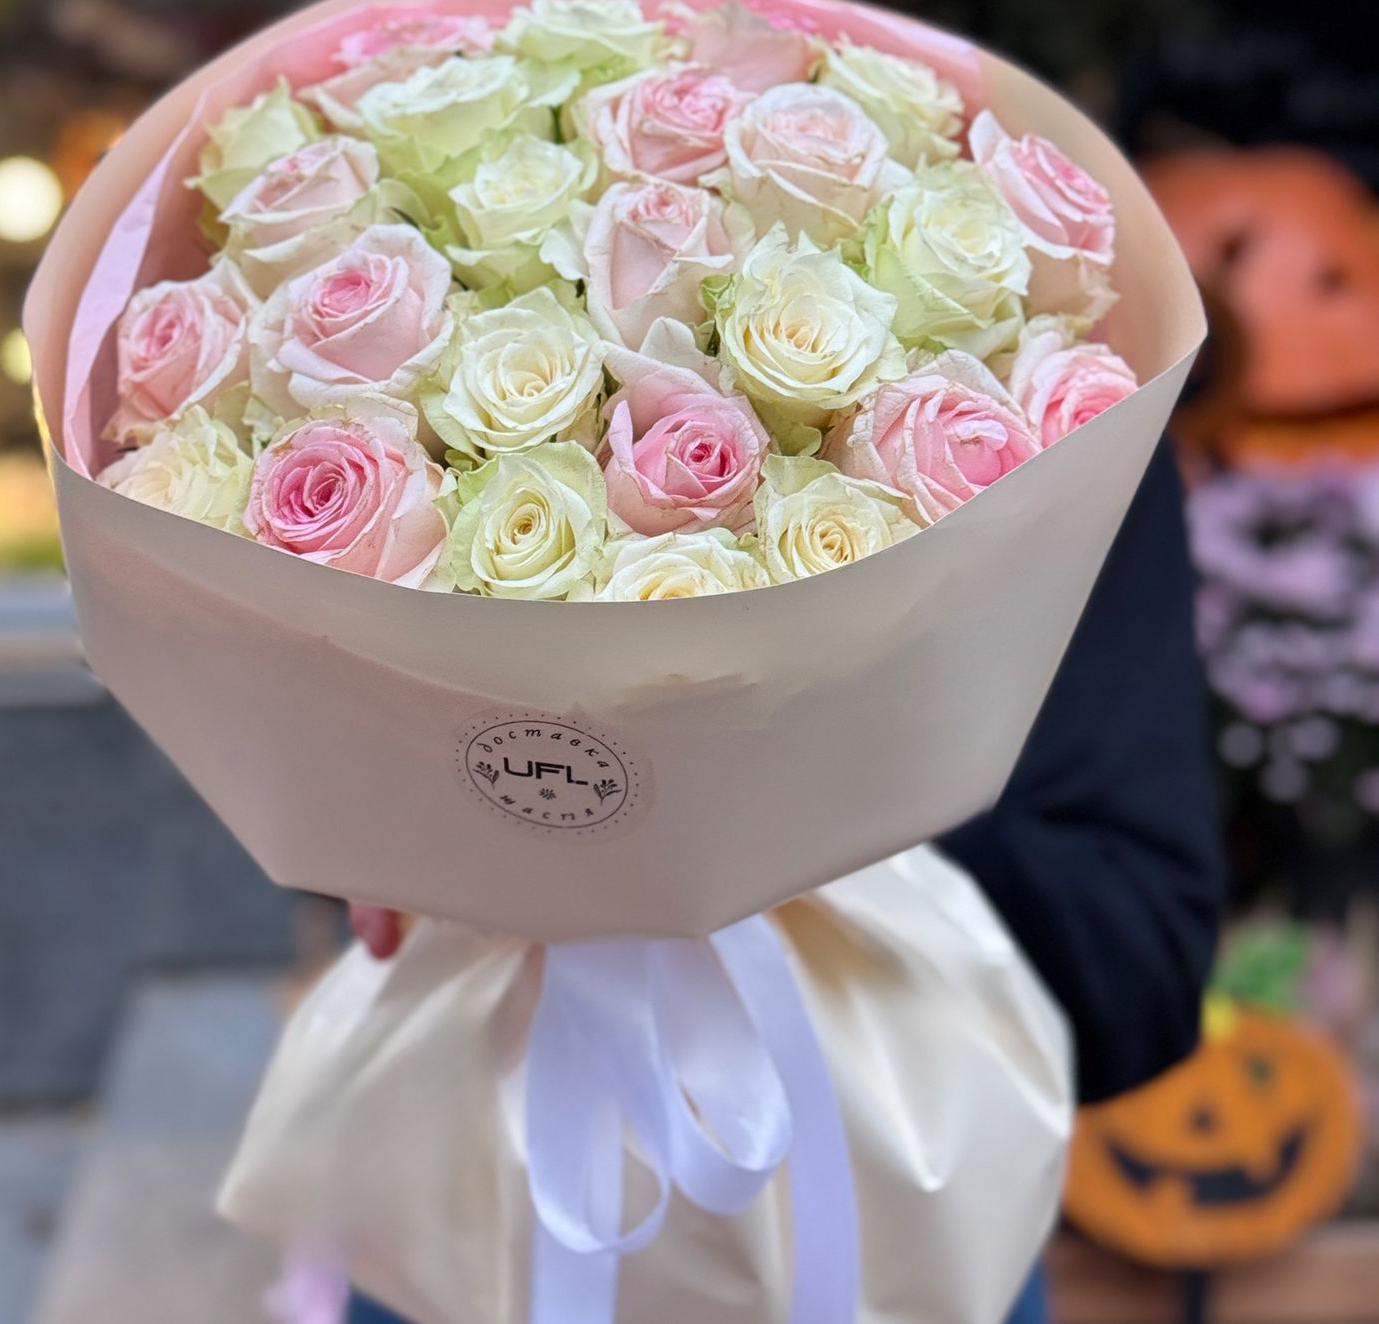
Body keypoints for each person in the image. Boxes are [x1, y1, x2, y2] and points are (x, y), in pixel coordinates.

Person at [345, 439, 1223, 1324]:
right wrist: (397, 806)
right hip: (471, 1189)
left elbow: (1137, 965)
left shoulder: (1057, 435)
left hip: (891, 1229)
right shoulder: (385, 422)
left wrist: (793, 804)